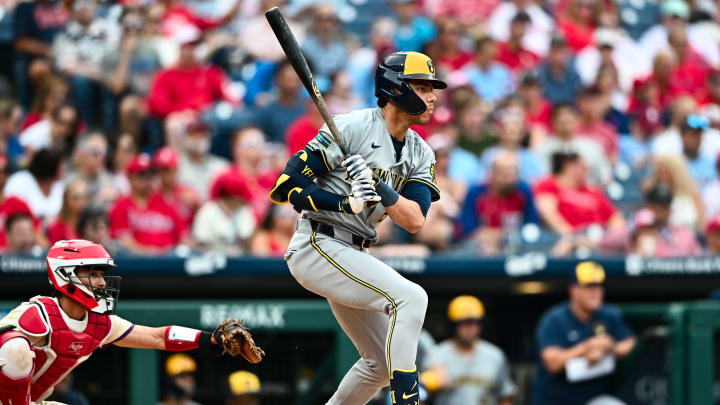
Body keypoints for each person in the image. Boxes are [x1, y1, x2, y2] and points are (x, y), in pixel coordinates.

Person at [271, 51, 444, 405]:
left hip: (353, 254)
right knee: (411, 297)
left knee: (380, 366)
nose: (433, 97)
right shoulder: (351, 127)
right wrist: (343, 202)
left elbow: (413, 220)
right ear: (396, 89)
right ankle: (407, 400)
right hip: (318, 243)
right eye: (423, 87)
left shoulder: (421, 152)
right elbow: (285, 186)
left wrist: (380, 187)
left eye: (432, 88)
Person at [0, 239, 264, 404]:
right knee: (15, 349)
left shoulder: (98, 324)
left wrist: (211, 340)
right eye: (92, 273)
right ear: (65, 275)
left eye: (101, 273)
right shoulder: (37, 313)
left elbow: (156, 337)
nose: (102, 281)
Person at [531, 261, 636, 405]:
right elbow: (552, 362)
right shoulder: (555, 319)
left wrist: (609, 347)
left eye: (599, 287)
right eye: (589, 287)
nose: (596, 293)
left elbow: (630, 343)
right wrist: (586, 348)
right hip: (555, 400)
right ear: (574, 290)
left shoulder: (608, 315)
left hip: (591, 399)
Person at [421, 296, 516, 405]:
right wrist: (426, 384)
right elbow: (421, 399)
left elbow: (505, 396)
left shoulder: (495, 356)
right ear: (454, 325)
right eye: (466, 323)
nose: (472, 328)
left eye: (476, 323)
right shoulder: (436, 356)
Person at [51, 0, 120, 127]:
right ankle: (89, 127)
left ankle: (112, 130)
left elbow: (118, 56)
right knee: (80, 81)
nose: (85, 8)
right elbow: (67, 67)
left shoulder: (111, 29)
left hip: (111, 76)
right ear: (72, 10)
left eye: (89, 4)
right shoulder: (65, 34)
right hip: (88, 80)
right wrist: (100, 75)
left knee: (115, 81)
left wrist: (109, 75)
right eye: (80, 5)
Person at [109, 154, 190, 255]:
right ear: (130, 178)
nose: (147, 179)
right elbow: (125, 243)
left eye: (150, 174)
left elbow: (184, 237)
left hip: (169, 261)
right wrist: (155, 253)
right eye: (142, 174)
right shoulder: (121, 206)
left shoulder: (166, 203)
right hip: (136, 263)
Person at [461, 151, 539, 255]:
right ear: (493, 174)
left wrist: (501, 236)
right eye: (505, 174)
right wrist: (502, 236)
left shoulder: (524, 191)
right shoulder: (475, 193)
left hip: (519, 247)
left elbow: (532, 226)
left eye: (514, 173)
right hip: (480, 249)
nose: (511, 179)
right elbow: (469, 230)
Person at [534, 152, 625, 234]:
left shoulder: (593, 191)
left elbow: (615, 218)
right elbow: (549, 214)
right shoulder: (548, 184)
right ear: (569, 167)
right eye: (583, 168)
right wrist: (570, 235)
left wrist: (611, 237)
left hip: (599, 236)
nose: (586, 172)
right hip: (571, 237)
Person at [535, 103, 612, 186]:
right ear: (553, 122)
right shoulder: (543, 148)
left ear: (576, 120)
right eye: (561, 122)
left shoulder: (591, 146)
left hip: (586, 192)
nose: (565, 125)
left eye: (568, 120)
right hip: (556, 193)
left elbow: (605, 172)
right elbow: (540, 177)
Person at [193, 171, 256, 254]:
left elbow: (247, 239)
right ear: (232, 196)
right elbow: (201, 242)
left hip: (239, 261)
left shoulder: (244, 211)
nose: (243, 200)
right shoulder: (208, 210)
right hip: (211, 260)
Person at [3, 148, 65, 220]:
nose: (64, 169)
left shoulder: (60, 186)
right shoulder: (19, 181)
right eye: (61, 166)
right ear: (50, 166)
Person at [253, 60, 305, 143]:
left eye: (295, 79)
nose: (291, 84)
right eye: (288, 78)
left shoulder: (308, 109)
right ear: (277, 79)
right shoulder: (267, 111)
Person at [177, 119, 229, 200]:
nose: (199, 139)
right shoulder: (175, 166)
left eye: (203, 135)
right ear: (184, 137)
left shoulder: (222, 166)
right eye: (194, 135)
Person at [154, 146, 200, 229]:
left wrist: (195, 206)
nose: (165, 174)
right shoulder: (152, 194)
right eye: (162, 169)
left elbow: (200, 220)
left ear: (176, 169)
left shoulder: (188, 193)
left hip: (186, 237)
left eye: (168, 169)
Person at [66, 133, 116, 206]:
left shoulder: (110, 182)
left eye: (104, 153)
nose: (101, 158)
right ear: (80, 153)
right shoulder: (68, 182)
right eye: (95, 153)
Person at [462, 36, 514, 103]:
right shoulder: (467, 73)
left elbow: (509, 92)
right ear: (478, 52)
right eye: (485, 52)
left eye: (491, 51)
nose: (489, 55)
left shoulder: (502, 70)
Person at [537, 35, 582, 105]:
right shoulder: (539, 75)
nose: (560, 56)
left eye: (563, 52)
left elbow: (578, 101)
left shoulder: (574, 76)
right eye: (556, 52)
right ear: (549, 53)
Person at [678, 114, 716, 187]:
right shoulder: (676, 163)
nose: (696, 138)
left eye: (699, 134)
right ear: (682, 135)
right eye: (692, 134)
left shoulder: (711, 162)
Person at [47, 179, 88, 244]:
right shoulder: (57, 228)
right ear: (66, 200)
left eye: (84, 198)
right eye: (75, 198)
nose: (81, 202)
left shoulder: (89, 224)